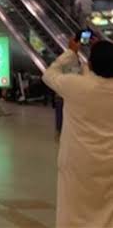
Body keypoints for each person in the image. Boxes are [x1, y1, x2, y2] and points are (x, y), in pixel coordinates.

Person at [42, 37, 113, 228]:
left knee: (72, 207)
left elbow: (49, 75)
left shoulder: (75, 85)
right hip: (109, 163)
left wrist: (71, 53)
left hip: (77, 161)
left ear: (90, 63)